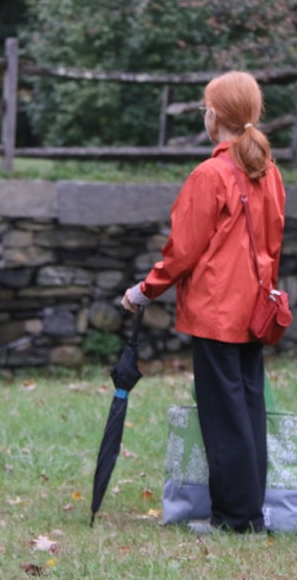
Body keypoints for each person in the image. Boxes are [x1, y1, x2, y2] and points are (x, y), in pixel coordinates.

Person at [121, 71, 286, 534]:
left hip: (217, 312)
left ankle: (235, 518)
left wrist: (143, 290)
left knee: (225, 414)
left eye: (205, 108)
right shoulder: (268, 171)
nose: (205, 114)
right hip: (254, 310)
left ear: (216, 116)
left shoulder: (210, 174)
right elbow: (273, 242)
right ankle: (248, 513)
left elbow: (182, 252)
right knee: (248, 409)